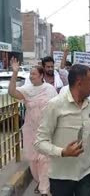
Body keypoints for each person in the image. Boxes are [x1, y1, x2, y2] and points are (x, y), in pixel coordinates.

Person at [34, 64, 90, 196]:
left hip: (86, 174)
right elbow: (39, 142)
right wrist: (62, 152)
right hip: (61, 176)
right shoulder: (55, 105)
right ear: (79, 83)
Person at [8, 58, 57, 196]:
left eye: (34, 74)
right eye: (30, 74)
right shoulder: (27, 89)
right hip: (31, 130)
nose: (31, 76)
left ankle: (45, 190)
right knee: (34, 162)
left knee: (44, 160)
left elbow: (56, 109)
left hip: (46, 131)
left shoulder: (49, 89)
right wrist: (15, 72)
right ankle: (41, 183)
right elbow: (12, 92)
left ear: (41, 76)